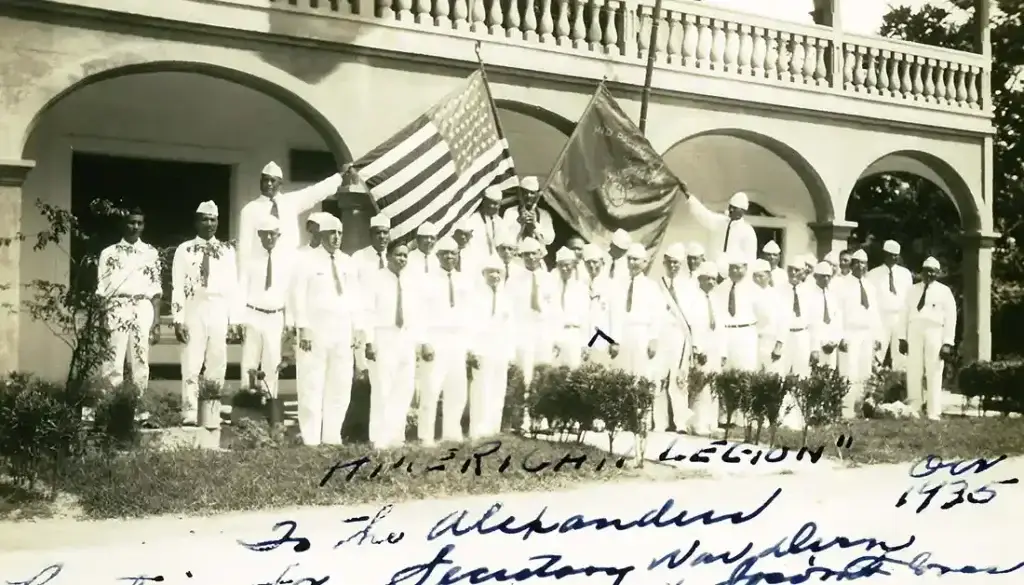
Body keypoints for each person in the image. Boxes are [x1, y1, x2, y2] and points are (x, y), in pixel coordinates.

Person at [171, 201, 242, 426]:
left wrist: (234, 319)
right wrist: (178, 318)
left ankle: (212, 409)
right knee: (192, 361)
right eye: (204, 219)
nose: (209, 223)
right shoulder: (185, 249)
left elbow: (233, 287)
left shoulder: (226, 250)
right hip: (195, 307)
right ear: (196, 221)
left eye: (213, 219)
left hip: (219, 308)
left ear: (218, 222)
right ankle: (190, 411)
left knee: (217, 361)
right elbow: (177, 285)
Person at [291, 214, 360, 446]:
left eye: (340, 233)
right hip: (315, 331)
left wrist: (357, 328)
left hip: (342, 331)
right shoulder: (306, 261)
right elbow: (297, 296)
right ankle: (311, 438)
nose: (336, 238)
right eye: (332, 233)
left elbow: (356, 299)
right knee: (311, 383)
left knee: (340, 384)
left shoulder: (348, 262)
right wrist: (303, 327)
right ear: (321, 235)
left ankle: (332, 435)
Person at [363, 240, 433, 448]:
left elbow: (419, 314)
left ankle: (397, 435)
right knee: (383, 387)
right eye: (398, 255)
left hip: (405, 337)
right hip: (383, 335)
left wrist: (422, 341)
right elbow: (367, 311)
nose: (402, 259)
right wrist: (368, 341)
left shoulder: (411, 281)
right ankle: (379, 437)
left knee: (404, 387)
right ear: (388, 256)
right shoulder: (376, 279)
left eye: (405, 255)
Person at [96, 208, 162, 393]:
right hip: (117, 306)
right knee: (113, 358)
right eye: (131, 222)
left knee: (140, 359)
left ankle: (139, 408)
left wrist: (156, 322)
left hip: (142, 306)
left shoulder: (150, 252)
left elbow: (156, 289)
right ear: (123, 225)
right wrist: (103, 318)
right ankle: (109, 404)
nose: (135, 227)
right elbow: (102, 289)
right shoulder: (109, 253)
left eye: (139, 223)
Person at [238, 215, 294, 425]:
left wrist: (289, 321)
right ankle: (246, 409)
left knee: (272, 364)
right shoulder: (250, 260)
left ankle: (270, 409)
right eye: (265, 234)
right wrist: (239, 319)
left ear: (278, 236)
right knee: (249, 363)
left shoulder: (285, 262)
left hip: (275, 316)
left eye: (273, 234)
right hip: (253, 313)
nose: (269, 237)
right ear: (259, 235)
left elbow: (290, 293)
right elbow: (241, 289)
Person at [236, 161, 342, 268]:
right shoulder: (250, 209)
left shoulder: (290, 202)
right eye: (265, 179)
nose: (269, 183)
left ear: (280, 184)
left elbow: (316, 191)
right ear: (260, 181)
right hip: (261, 268)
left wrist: (340, 177)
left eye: (273, 180)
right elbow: (244, 248)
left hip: (289, 266)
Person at [419, 237, 473, 445]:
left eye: (453, 253)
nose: (450, 257)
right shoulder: (427, 280)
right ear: (437, 256)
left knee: (457, 389)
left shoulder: (464, 280)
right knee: (431, 388)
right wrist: (424, 340)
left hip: (457, 339)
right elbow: (420, 313)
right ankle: (426, 435)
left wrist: (468, 344)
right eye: (445, 253)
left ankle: (452, 432)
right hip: (436, 336)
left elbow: (469, 314)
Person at [898, 256, 956, 420]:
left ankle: (933, 410)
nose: (929, 274)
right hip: (914, 329)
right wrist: (902, 338)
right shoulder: (912, 290)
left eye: (932, 271)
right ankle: (914, 406)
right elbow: (904, 314)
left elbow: (951, 318)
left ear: (937, 273)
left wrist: (947, 342)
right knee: (914, 368)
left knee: (934, 369)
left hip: (934, 331)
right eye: (926, 271)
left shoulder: (944, 291)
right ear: (921, 272)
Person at [508, 237, 557, 429]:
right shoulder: (514, 279)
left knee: (543, 373)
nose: (530, 257)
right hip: (523, 329)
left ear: (540, 254)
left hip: (543, 330)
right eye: (525, 254)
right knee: (525, 374)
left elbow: (554, 310)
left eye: (533, 253)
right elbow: (509, 309)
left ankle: (540, 417)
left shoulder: (549, 279)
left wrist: (554, 336)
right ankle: (523, 418)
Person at [468, 255, 515, 438]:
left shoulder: (506, 299)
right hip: (482, 348)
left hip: (500, 349)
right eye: (490, 272)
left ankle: (493, 429)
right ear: (483, 274)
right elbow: (470, 325)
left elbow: (512, 328)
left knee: (498, 388)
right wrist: (472, 350)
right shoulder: (476, 297)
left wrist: (510, 353)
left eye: (498, 272)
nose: (495, 276)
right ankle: (478, 430)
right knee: (481, 388)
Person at [608, 244, 661, 389]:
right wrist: (614, 340)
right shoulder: (618, 284)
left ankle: (639, 409)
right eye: (629, 259)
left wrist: (653, 338)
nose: (632, 263)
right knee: (621, 375)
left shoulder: (651, 287)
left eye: (636, 260)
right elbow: (614, 313)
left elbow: (656, 314)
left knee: (640, 375)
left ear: (644, 263)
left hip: (641, 333)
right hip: (623, 333)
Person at [837, 249, 882, 418]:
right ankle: (846, 409)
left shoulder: (870, 286)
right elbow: (838, 312)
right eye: (857, 263)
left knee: (864, 371)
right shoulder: (842, 285)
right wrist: (841, 335)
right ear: (852, 264)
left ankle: (859, 407)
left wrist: (877, 336)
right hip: (850, 331)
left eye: (864, 264)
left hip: (867, 333)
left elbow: (874, 312)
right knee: (849, 371)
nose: (861, 267)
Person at [654, 243, 693, 432]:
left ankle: (680, 422)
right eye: (669, 262)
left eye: (676, 263)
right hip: (662, 335)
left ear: (682, 264)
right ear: (664, 262)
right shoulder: (657, 284)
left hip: (679, 336)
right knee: (659, 378)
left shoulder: (688, 286)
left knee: (679, 379)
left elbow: (692, 316)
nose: (673, 266)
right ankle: (659, 422)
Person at [687, 262, 723, 435]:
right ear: (700, 279)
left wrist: (723, 351)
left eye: (714, 279)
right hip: (702, 347)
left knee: (714, 385)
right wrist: (697, 348)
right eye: (707, 278)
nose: (711, 282)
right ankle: (697, 422)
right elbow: (694, 325)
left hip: (715, 346)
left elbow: (722, 327)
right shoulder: (694, 299)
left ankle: (711, 422)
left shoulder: (717, 299)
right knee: (700, 385)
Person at [867, 240, 913, 371]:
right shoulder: (873, 274)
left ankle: (899, 386)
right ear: (885, 255)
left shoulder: (905, 274)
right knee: (876, 353)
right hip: (881, 317)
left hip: (900, 317)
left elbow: (909, 298)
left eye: (896, 255)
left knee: (900, 356)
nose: (894, 258)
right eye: (891, 254)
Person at [683, 187, 758, 263]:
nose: (731, 210)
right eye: (730, 206)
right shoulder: (721, 222)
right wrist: (689, 196)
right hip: (716, 269)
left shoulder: (747, 231)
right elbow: (704, 215)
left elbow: (750, 258)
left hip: (734, 271)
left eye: (735, 208)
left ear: (743, 211)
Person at [551, 247, 589, 369]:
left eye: (567, 265)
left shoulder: (581, 288)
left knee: (573, 373)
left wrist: (585, 343)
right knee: (555, 375)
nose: (564, 268)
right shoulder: (552, 287)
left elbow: (585, 317)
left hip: (574, 335)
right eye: (560, 265)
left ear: (573, 266)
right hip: (556, 334)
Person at [806, 262, 843, 370]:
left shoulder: (832, 296)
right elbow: (810, 324)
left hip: (831, 345)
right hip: (816, 345)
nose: (826, 279)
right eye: (823, 276)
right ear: (815, 276)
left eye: (828, 276)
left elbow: (837, 320)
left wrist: (835, 341)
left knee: (829, 375)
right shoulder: (809, 296)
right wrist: (814, 348)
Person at [502, 176, 555, 245]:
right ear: (520, 193)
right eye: (525, 192)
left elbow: (549, 241)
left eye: (532, 193)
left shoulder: (544, 214)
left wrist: (535, 225)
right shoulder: (510, 212)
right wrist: (518, 223)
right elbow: (503, 238)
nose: (528, 196)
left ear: (537, 195)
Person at [464, 186, 504, 258]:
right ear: (483, 202)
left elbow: (501, 244)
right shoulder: (472, 220)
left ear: (500, 205)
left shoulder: (499, 221)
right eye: (489, 202)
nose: (492, 206)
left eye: (495, 204)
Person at [352, 213, 390, 283]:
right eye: (378, 232)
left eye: (385, 232)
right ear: (371, 234)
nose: (382, 236)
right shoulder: (358, 257)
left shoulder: (393, 256)